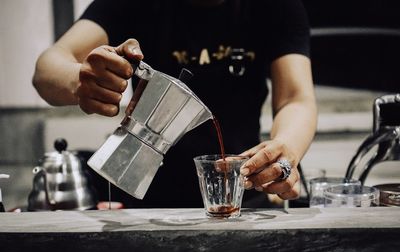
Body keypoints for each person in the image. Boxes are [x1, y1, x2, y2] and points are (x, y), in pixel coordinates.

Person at [32, 0, 317, 208]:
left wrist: (286, 148)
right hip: (140, 201)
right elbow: (47, 69)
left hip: (239, 194)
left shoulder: (276, 7)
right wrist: (79, 80)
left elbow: (296, 98)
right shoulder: (132, 5)